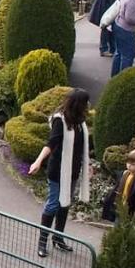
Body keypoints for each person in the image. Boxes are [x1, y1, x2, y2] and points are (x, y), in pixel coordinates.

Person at [28, 88, 91, 258]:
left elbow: (81, 147)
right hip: (58, 171)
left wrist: (88, 166)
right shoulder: (60, 120)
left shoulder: (80, 122)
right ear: (79, 104)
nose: (87, 106)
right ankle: (42, 242)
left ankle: (58, 238)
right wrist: (38, 161)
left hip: (73, 171)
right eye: (85, 103)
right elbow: (51, 143)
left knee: (65, 204)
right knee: (54, 204)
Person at [103, 148, 135, 221]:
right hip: (120, 208)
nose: (129, 166)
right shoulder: (123, 175)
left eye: (133, 164)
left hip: (133, 212)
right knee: (118, 228)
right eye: (128, 163)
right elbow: (115, 191)